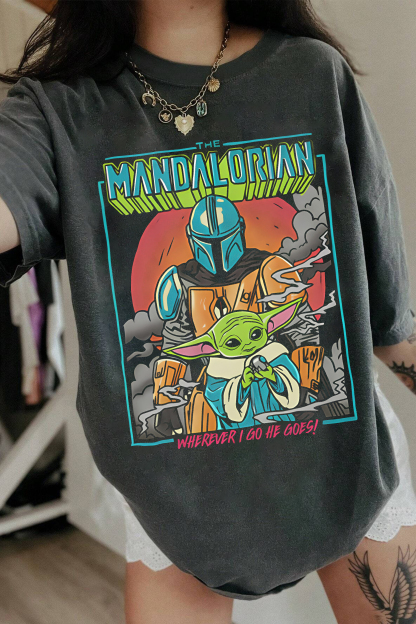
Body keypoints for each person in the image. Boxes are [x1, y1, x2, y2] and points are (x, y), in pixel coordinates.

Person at [0, 1, 416, 623]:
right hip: (176, 493)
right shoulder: (57, 111)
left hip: (342, 464)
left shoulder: (313, 74)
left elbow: (385, 316)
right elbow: (174, 336)